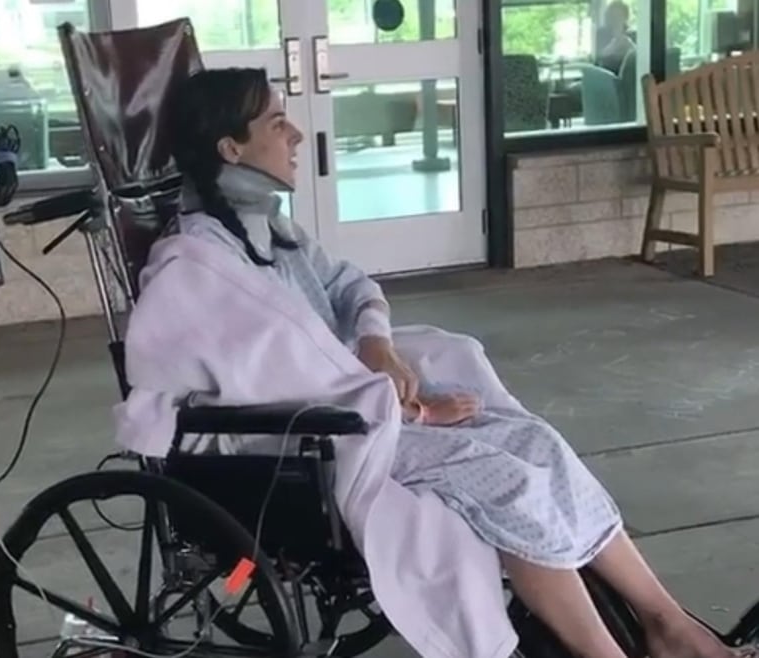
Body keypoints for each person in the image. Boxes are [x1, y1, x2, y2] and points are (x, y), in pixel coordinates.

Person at [116, 67, 754, 658]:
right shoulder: (199, 262)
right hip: (309, 444)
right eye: (277, 122)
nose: (297, 134)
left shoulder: (273, 231)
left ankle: (666, 622)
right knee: (507, 483)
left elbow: (352, 288)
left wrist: (377, 345)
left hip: (359, 413)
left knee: (537, 443)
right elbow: (271, 380)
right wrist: (410, 408)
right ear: (230, 150)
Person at [595, 0, 636, 74]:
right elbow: (600, 56)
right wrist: (616, 42)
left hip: (628, 75)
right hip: (606, 73)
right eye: (612, 15)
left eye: (619, 15)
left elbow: (637, 55)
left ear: (626, 17)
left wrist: (628, 43)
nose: (616, 19)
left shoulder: (633, 34)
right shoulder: (602, 33)